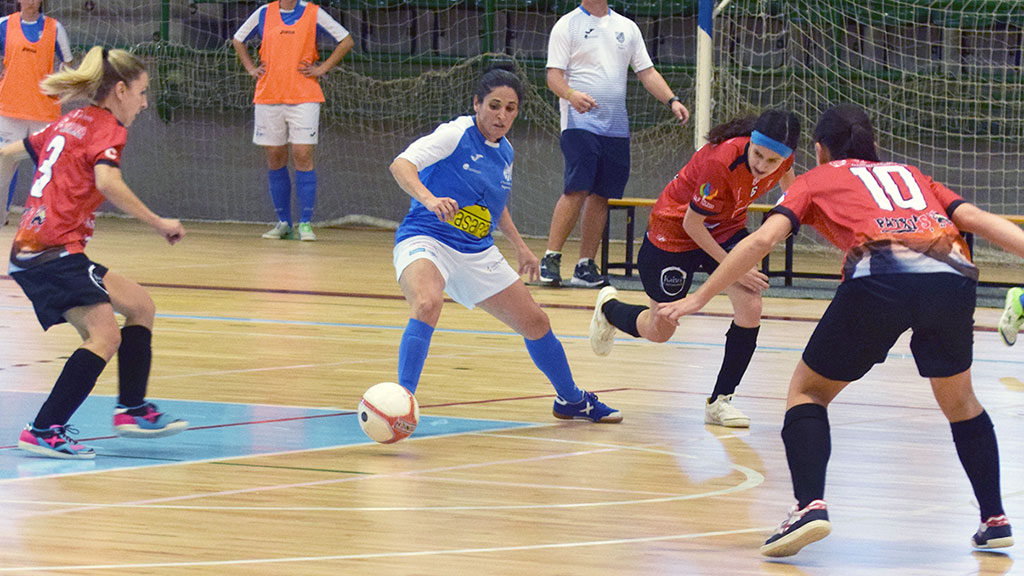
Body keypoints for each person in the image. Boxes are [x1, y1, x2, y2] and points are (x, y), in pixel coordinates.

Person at [659, 104, 1017, 557]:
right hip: (953, 274)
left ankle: (809, 506)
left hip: (881, 277)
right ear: (874, 146)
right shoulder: (912, 174)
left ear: (819, 149)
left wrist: (702, 296)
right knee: (961, 402)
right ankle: (994, 518)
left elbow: (762, 240)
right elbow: (980, 220)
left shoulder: (812, 179)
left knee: (808, 392)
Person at [389, 65, 621, 424]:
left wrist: (519, 245)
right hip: (427, 236)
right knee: (428, 301)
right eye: (494, 105)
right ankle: (400, 403)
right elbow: (401, 165)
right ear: (477, 103)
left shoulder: (506, 151)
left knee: (536, 322)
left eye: (510, 108)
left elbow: (495, 206)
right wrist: (429, 198)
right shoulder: (454, 134)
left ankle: (571, 399)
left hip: (476, 250)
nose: (501, 115)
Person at [2, 46, 189, 459]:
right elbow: (107, 182)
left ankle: (132, 409)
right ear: (119, 90)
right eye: (141, 93)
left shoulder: (70, 120)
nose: (143, 103)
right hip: (52, 252)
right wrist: (159, 223)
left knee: (140, 305)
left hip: (42, 248)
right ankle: (44, 429)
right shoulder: (107, 128)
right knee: (104, 336)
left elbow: (8, 154)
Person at [590, 109, 799, 428]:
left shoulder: (781, 160)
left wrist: (786, 213)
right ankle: (610, 309)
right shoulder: (721, 162)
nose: (762, 166)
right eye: (758, 155)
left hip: (726, 227)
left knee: (751, 305)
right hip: (676, 230)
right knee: (661, 330)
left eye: (772, 161)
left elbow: (792, 192)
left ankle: (721, 400)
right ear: (751, 142)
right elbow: (692, 223)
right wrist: (736, 267)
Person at [539, 0, 690, 288]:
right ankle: (551, 256)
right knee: (578, 187)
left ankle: (585, 265)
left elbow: (646, 72)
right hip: (579, 123)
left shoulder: (627, 28)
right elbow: (553, 77)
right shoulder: (567, 25)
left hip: (616, 127)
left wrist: (672, 100)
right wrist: (571, 95)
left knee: (601, 194)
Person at [232, 0, 353, 241]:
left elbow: (346, 41)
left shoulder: (313, 12)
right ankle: (284, 223)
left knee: (302, 154)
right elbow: (238, 40)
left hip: (305, 96)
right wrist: (251, 68)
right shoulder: (264, 12)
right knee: (275, 157)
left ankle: (305, 223)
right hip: (269, 96)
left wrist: (322, 69)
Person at [0, 0, 72, 226]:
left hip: (44, 113)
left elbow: (68, 65)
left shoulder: (55, 28)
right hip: (10, 109)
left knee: (45, 169)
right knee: (4, 165)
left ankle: (37, 221)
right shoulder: (3, 25)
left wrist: (61, 84)